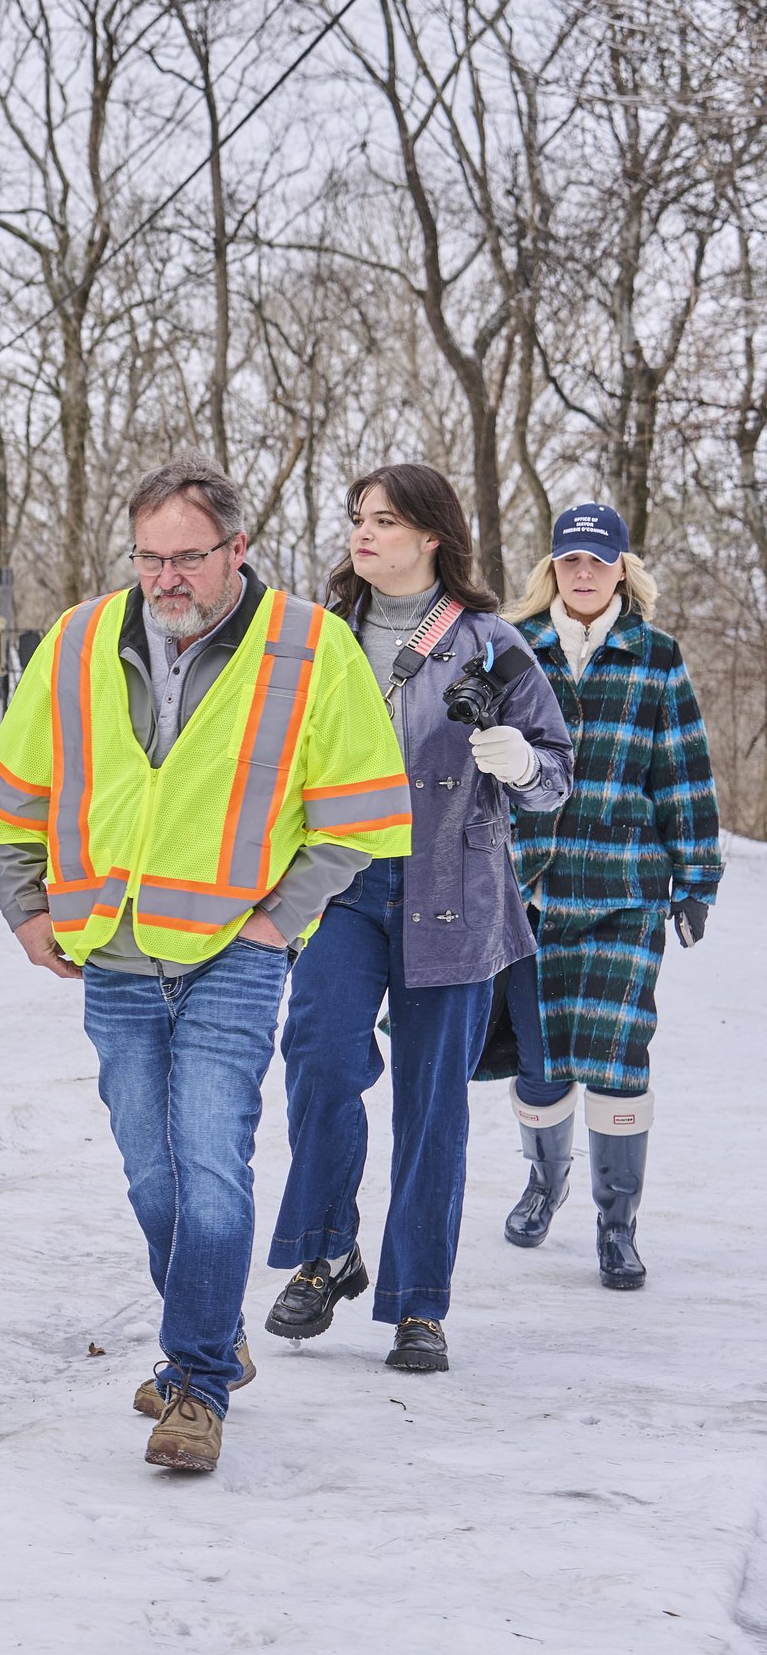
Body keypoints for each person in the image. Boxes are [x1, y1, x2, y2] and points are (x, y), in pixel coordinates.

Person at [0, 457, 410, 1473]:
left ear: (235, 551)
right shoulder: (80, 636)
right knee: (152, 1174)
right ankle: (214, 1333)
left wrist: (280, 918)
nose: (166, 577)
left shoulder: (312, 646)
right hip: (111, 952)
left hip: (232, 952)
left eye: (187, 557)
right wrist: (24, 905)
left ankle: (198, 1385)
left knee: (211, 1165)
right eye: (149, 556)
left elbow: (359, 812)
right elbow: (17, 784)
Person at [263, 464, 571, 1374]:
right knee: (320, 1063)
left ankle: (418, 1304)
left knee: (433, 1108)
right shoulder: (320, 638)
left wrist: (517, 761)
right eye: (358, 518)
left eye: (386, 520)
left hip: (456, 892)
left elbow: (557, 773)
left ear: (432, 535)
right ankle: (326, 1253)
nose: (364, 533)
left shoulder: (489, 639)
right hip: (342, 884)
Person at [486, 502, 720, 1288]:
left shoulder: (656, 656)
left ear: (622, 567)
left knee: (620, 1058)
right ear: (552, 567)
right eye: (570, 559)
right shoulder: (514, 651)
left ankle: (617, 1225)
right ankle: (541, 1186)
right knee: (542, 1061)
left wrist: (697, 879)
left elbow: (682, 773)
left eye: (598, 559)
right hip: (530, 890)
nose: (583, 572)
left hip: (624, 889)